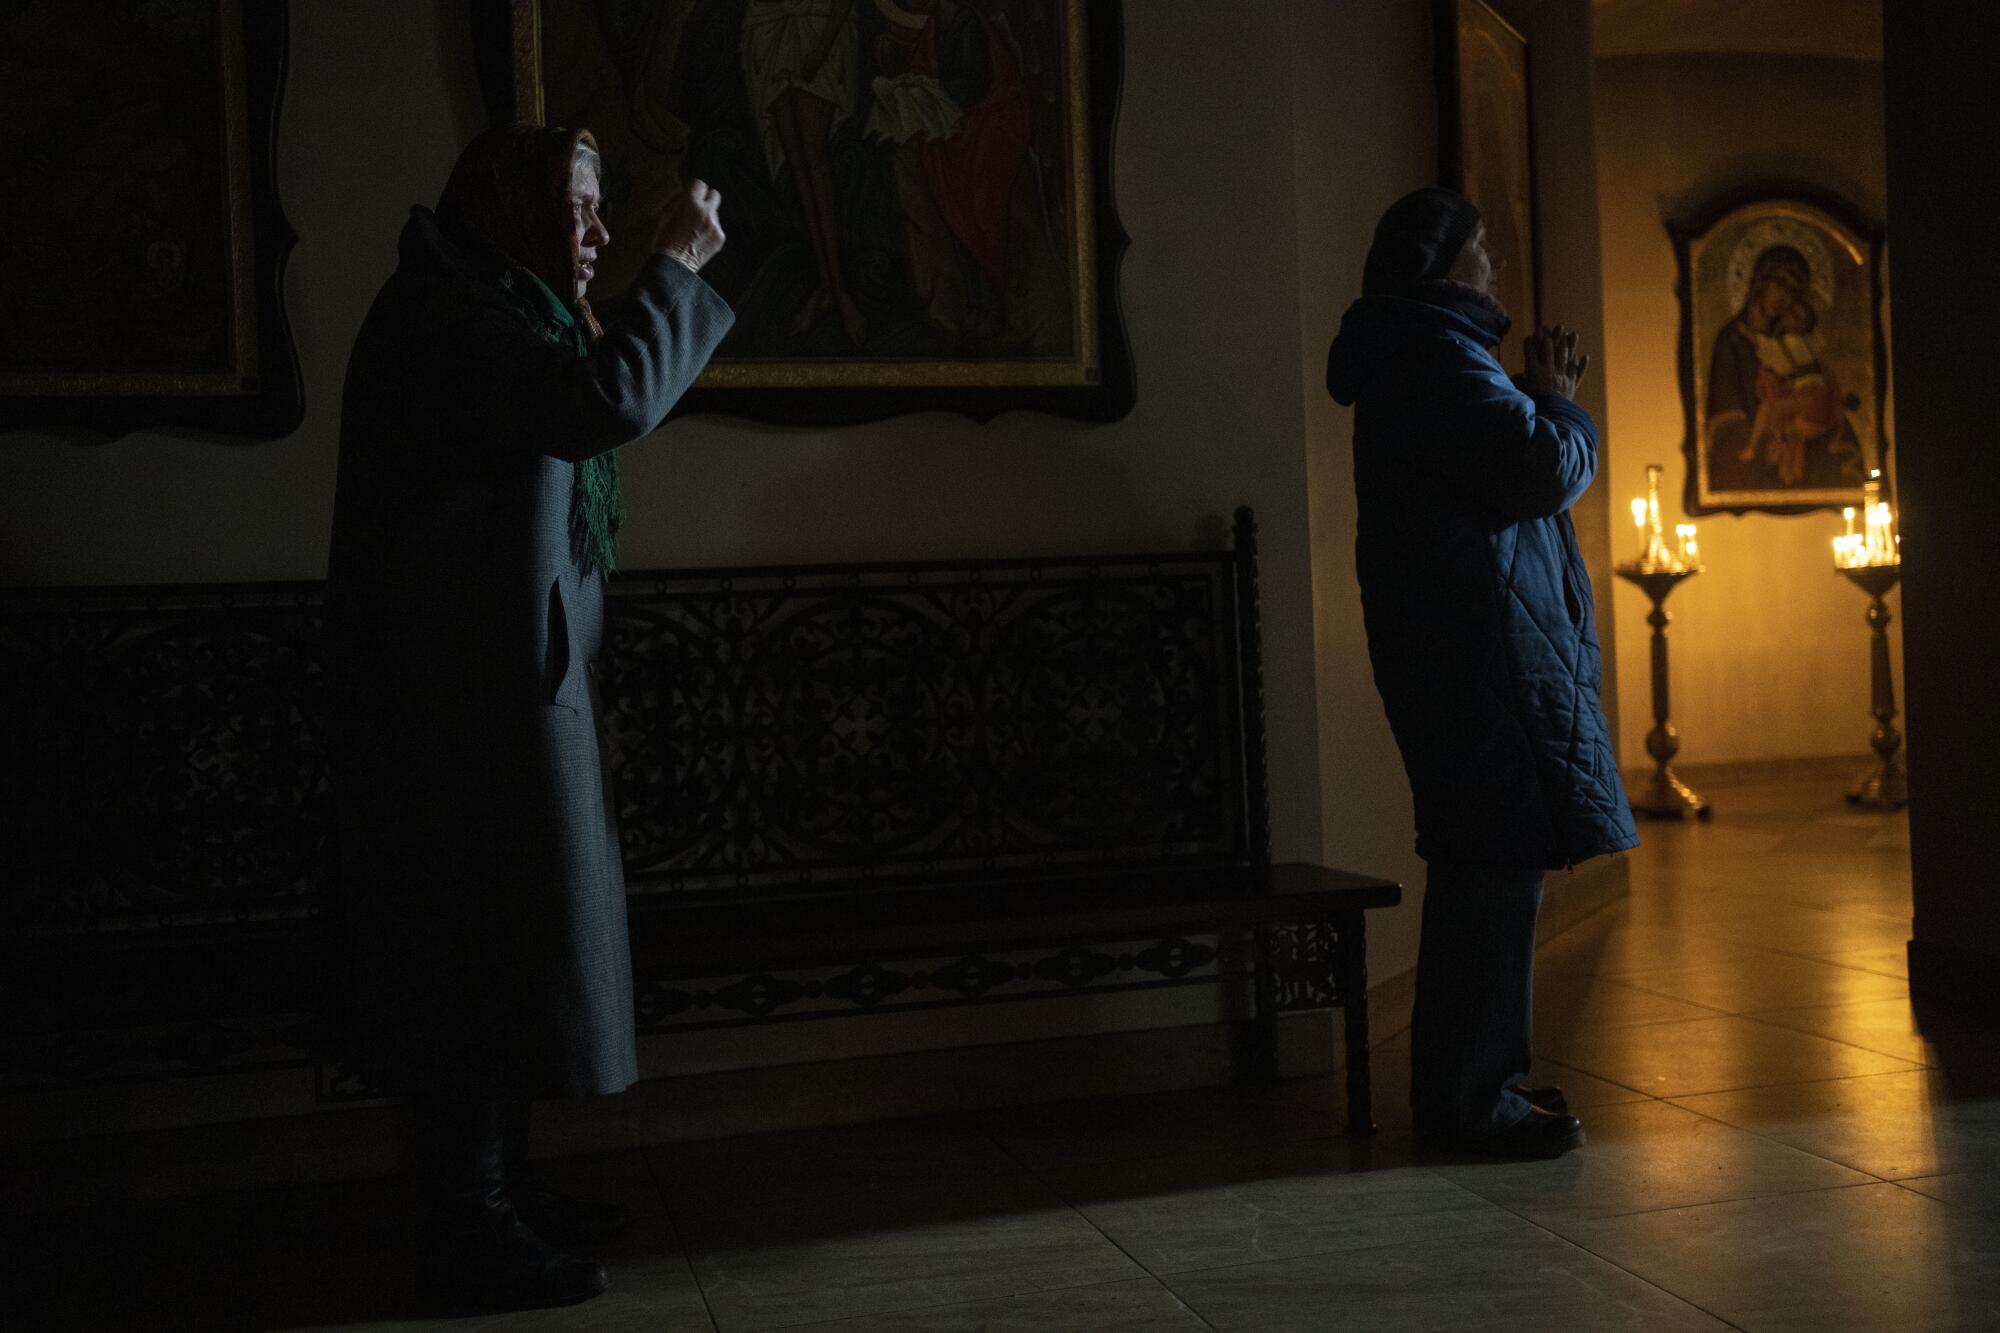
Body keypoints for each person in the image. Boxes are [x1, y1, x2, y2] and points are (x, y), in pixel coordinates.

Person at [325, 126, 733, 1311]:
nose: (598, 232)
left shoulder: (498, 306)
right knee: (467, 949)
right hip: (449, 707)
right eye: (577, 205)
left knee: (509, 950)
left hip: (490, 689)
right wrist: (677, 271)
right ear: (504, 209)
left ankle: (503, 1188)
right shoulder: (441, 319)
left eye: (603, 209)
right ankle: (468, 1223)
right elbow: (601, 402)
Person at [1326, 187, 1637, 1159]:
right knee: (1487, 864)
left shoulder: (1429, 360)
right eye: (1482, 253)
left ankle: (1478, 1079)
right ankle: (1468, 1100)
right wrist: (1555, 398)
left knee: (1489, 861)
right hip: (1474, 659)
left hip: (1470, 653)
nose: (1495, 269)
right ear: (1442, 265)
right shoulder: (1431, 362)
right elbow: (1540, 467)